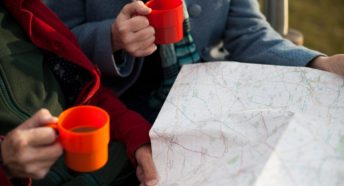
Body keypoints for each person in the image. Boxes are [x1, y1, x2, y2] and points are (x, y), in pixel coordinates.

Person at [45, 0, 344, 123]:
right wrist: (111, 37)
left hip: (205, 102)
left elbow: (249, 33)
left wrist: (320, 64)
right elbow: (51, 37)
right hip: (112, 110)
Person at [0, 0, 158, 185]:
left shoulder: (22, 9)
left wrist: (139, 140)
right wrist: (5, 160)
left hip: (112, 162)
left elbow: (86, 91)